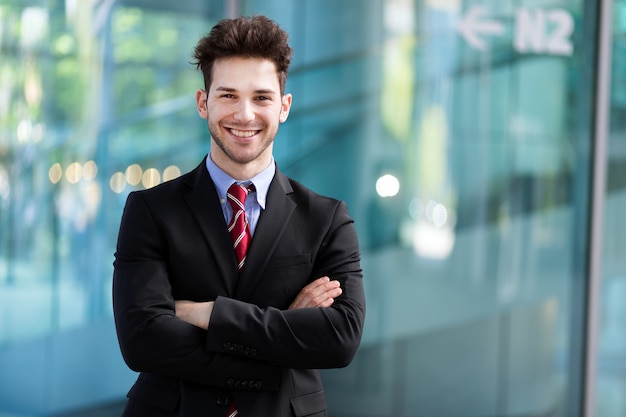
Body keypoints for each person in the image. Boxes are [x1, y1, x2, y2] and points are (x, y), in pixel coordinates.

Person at [112, 15, 365, 417]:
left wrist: (207, 313)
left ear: (284, 107)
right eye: (228, 95)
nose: (245, 114)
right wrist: (283, 337)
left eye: (261, 97)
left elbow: (340, 338)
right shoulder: (150, 211)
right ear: (203, 103)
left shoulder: (327, 219)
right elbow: (143, 340)